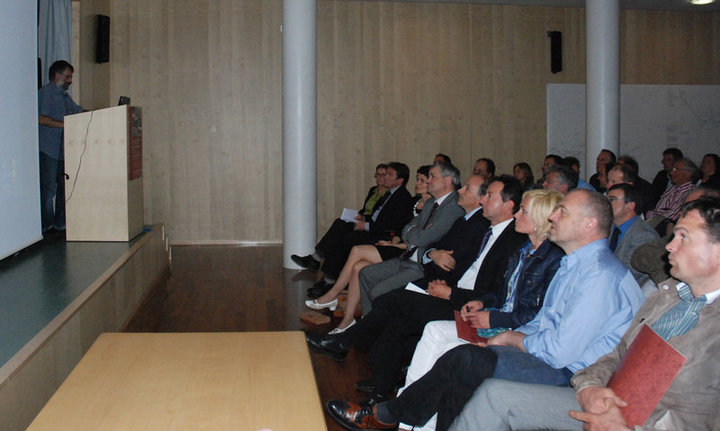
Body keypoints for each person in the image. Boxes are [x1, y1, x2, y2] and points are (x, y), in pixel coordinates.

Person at [325, 189, 645, 431]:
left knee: (466, 360)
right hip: (550, 358)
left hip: (575, 376)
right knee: (464, 364)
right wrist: (503, 339)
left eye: (562, 211)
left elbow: (560, 351)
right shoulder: (575, 265)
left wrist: (510, 339)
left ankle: (388, 414)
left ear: (589, 224)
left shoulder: (599, 276)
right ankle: (394, 415)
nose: (554, 217)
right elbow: (543, 322)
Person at [451, 196, 720, 431]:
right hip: (607, 398)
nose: (670, 245)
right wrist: (589, 387)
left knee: (472, 363)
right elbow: (617, 355)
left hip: (645, 422)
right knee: (493, 395)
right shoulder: (667, 296)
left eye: (683, 237)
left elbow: (702, 416)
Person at [307, 177, 524, 399]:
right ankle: (380, 385)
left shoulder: (512, 242)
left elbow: (496, 293)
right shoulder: (483, 228)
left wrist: (451, 292)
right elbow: (442, 252)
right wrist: (435, 259)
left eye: (489, 196)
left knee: (394, 301)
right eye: (484, 194)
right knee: (396, 316)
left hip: (468, 305)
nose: (483, 200)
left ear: (508, 205)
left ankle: (346, 342)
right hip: (449, 288)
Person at [395, 189, 565, 431]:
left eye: (523, 211)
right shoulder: (523, 250)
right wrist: (483, 303)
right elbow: (503, 294)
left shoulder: (554, 260)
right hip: (500, 319)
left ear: (540, 219)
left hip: (517, 331)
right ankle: (411, 420)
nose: (516, 215)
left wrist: (493, 317)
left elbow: (537, 316)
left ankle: (411, 417)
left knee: (450, 349)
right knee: (433, 330)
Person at [304, 166, 435, 333]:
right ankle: (348, 319)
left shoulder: (430, 206)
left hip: (404, 251)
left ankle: (333, 292)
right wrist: (396, 239)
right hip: (397, 244)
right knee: (358, 267)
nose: (418, 183)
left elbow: (417, 237)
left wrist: (395, 243)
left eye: (422, 180)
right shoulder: (414, 202)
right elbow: (403, 229)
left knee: (356, 249)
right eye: (418, 179)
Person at [354, 163, 465, 315]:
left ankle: (377, 325)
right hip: (407, 256)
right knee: (365, 274)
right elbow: (406, 229)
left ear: (448, 180)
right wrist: (415, 231)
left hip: (422, 265)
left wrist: (414, 231)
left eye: (433, 176)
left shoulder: (453, 207)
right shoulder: (431, 202)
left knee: (378, 291)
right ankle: (369, 322)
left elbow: (423, 238)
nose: (428, 180)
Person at [292, 162, 414, 297]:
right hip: (373, 227)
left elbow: (392, 224)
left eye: (389, 175)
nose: (385, 177)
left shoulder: (402, 197)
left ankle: (329, 280)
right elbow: (376, 215)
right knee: (340, 225)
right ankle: (317, 261)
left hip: (382, 234)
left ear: (400, 180)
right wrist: (364, 219)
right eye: (384, 174)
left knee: (347, 238)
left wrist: (366, 225)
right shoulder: (389, 194)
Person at [38, 60, 84, 235]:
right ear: (57, 76)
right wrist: (65, 124)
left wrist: (97, 112)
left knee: (63, 189)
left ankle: (60, 224)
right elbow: (41, 118)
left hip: (63, 151)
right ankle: (46, 227)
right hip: (48, 149)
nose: (70, 81)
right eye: (68, 77)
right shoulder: (45, 93)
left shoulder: (64, 96)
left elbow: (77, 111)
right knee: (48, 190)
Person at [607, 184, 659, 284]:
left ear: (630, 206)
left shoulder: (643, 235)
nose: (606, 203)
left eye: (612, 200)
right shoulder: (610, 227)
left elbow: (629, 273)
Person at [646, 157, 699, 236]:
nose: (671, 173)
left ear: (688, 173)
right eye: (672, 169)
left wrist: (654, 214)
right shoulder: (671, 190)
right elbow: (657, 210)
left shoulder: (691, 193)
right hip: (655, 225)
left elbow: (672, 216)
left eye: (675, 169)